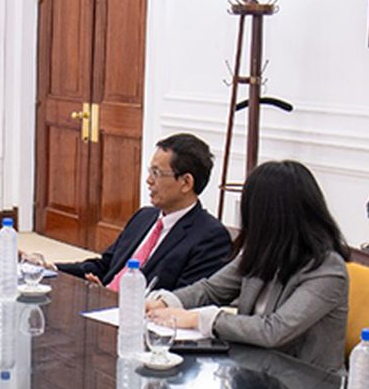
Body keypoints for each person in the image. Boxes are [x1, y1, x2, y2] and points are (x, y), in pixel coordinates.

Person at [145, 159, 350, 373]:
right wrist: (165, 302)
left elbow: (275, 330)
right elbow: (210, 290)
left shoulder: (327, 270)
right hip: (254, 373)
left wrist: (200, 319)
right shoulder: (265, 251)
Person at [43, 133, 231, 292]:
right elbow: (106, 265)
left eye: (157, 174)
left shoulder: (210, 237)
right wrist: (52, 268)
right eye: (150, 171)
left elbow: (182, 300)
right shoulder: (144, 217)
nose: (148, 181)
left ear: (186, 183)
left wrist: (114, 300)